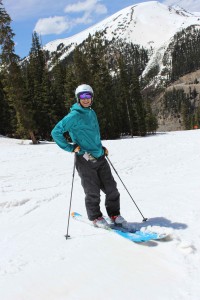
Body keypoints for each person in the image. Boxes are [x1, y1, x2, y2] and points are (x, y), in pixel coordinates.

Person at [51, 84, 128, 229]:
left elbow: (92, 134)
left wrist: (100, 147)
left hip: (99, 156)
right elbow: (56, 132)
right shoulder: (74, 115)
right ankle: (96, 217)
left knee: (111, 188)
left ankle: (114, 214)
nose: (86, 99)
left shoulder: (92, 112)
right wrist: (71, 147)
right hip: (85, 158)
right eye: (82, 97)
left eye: (88, 96)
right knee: (92, 191)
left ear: (92, 98)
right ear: (78, 98)